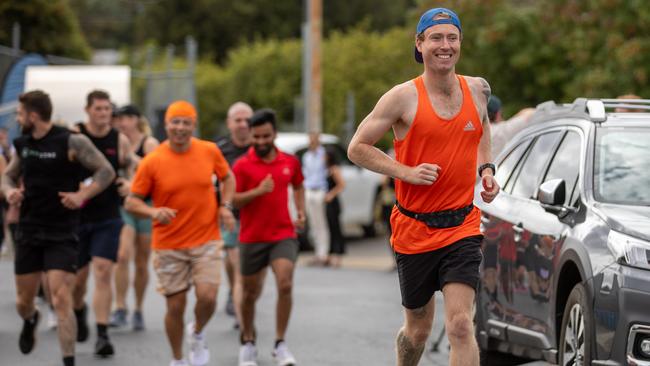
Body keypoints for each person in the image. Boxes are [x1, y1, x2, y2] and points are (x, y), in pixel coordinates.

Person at [347, 8, 500, 366]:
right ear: (419, 44)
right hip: (414, 228)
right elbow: (357, 148)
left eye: (452, 37)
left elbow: (482, 130)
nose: (444, 45)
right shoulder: (402, 97)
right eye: (436, 37)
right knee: (417, 330)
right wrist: (406, 172)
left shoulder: (478, 89)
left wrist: (487, 168)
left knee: (461, 325)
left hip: (462, 225)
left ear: (460, 42)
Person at [3, 90, 115, 366]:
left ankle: (68, 361)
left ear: (33, 115)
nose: (18, 119)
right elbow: (8, 175)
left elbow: (106, 171)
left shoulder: (71, 141)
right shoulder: (24, 143)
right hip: (29, 230)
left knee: (61, 297)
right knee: (23, 302)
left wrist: (81, 196)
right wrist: (8, 193)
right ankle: (30, 320)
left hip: (62, 231)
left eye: (19, 114)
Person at [125, 100, 236, 366]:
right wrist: (153, 212)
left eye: (186, 122)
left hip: (206, 238)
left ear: (193, 125)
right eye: (175, 122)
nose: (180, 128)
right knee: (175, 306)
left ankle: (196, 332)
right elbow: (132, 201)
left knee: (208, 297)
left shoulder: (209, 151)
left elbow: (227, 178)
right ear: (166, 125)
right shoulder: (153, 161)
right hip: (169, 243)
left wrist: (225, 206)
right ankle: (177, 359)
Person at [232, 108, 305, 366]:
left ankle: (280, 343)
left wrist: (301, 211)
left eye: (266, 136)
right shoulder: (241, 165)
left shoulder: (289, 161)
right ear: (251, 135)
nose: (261, 142)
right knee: (249, 294)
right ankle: (248, 340)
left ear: (274, 134)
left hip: (283, 233)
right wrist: (257, 191)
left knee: (285, 283)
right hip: (252, 237)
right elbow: (233, 201)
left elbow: (298, 184)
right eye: (256, 137)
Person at [71, 90, 136, 357]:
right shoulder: (75, 136)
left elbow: (133, 166)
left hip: (107, 216)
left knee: (102, 271)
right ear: (87, 110)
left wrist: (130, 183)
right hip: (77, 216)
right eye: (98, 109)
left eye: (107, 109)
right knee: (77, 280)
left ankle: (102, 333)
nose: (104, 114)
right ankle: (79, 309)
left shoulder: (118, 139)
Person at [110, 105, 159, 330]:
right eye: (120, 118)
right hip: (123, 207)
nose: (123, 123)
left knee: (141, 262)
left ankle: (138, 308)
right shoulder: (116, 140)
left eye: (127, 118)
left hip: (146, 206)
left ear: (136, 120)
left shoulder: (149, 143)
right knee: (121, 255)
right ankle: (120, 307)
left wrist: (134, 182)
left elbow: (158, 173)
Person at [215, 101, 254, 329]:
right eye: (237, 120)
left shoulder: (260, 147)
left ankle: (240, 296)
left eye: (246, 120)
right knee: (235, 264)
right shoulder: (220, 150)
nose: (242, 125)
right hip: (230, 215)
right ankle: (243, 317)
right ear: (229, 124)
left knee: (249, 271)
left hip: (256, 216)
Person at [301, 132, 330, 266]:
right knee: (313, 223)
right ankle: (317, 252)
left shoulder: (323, 154)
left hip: (320, 190)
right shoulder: (306, 156)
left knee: (321, 223)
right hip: (309, 190)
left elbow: (326, 172)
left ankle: (323, 253)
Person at [324, 148, 346, 268]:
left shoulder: (335, 170)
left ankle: (338, 255)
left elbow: (342, 185)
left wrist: (331, 194)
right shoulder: (326, 170)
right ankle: (330, 254)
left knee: (336, 228)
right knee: (329, 228)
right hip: (327, 203)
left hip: (333, 203)